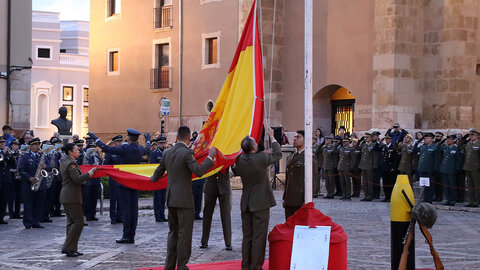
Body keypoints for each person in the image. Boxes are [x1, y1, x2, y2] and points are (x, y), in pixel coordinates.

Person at [150, 126, 215, 270]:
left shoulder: (166, 152)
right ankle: (182, 265)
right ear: (187, 139)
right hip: (184, 200)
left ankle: (169, 265)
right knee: (184, 234)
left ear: (177, 137)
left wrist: (147, 180)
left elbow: (156, 174)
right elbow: (198, 171)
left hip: (171, 198)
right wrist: (210, 158)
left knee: (172, 233)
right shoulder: (187, 153)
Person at [88, 129, 151, 243]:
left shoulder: (125, 148)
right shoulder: (140, 149)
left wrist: (96, 138)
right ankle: (132, 235)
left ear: (128, 138)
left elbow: (107, 148)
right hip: (135, 182)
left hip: (124, 181)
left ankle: (127, 235)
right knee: (133, 210)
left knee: (126, 209)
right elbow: (147, 149)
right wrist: (148, 140)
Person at [234, 128, 281, 270]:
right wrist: (272, 137)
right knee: (259, 237)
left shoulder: (239, 160)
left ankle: (246, 265)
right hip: (260, 202)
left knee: (247, 236)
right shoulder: (261, 158)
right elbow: (278, 154)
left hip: (246, 202)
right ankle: (255, 266)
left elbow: (235, 168)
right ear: (254, 147)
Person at [59, 143, 97, 257]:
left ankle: (71, 248)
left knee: (71, 222)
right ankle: (68, 247)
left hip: (67, 195)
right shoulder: (71, 163)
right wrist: (90, 174)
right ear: (70, 152)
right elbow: (76, 179)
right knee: (79, 221)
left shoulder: (65, 160)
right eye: (76, 150)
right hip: (72, 196)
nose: (78, 151)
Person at [283, 130, 317, 219]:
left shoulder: (309, 157)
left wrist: (307, 200)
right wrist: (285, 197)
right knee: (289, 226)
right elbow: (288, 180)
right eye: (294, 137)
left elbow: (313, 180)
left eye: (298, 137)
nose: (294, 139)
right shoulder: (291, 157)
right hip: (289, 199)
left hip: (300, 199)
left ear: (305, 141)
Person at [18, 137, 51, 229]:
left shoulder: (42, 156)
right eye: (36, 144)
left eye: (38, 144)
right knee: (28, 204)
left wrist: (46, 166)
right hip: (29, 184)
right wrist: (29, 178)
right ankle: (28, 223)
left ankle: (36, 221)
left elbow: (50, 167)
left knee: (39, 204)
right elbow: (21, 170)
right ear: (31, 146)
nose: (38, 146)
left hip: (41, 184)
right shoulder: (25, 157)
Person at [200, 169, 232, 250]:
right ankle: (204, 241)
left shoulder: (226, 155)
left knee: (226, 216)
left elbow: (235, 169)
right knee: (207, 215)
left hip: (224, 187)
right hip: (210, 186)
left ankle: (228, 242)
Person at [103, 135, 123, 224]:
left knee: (121, 199)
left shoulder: (123, 152)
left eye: (120, 141)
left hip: (122, 178)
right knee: (113, 199)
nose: (119, 143)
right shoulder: (110, 153)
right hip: (114, 178)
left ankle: (120, 216)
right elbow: (106, 165)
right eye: (118, 142)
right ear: (114, 143)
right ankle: (113, 217)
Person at [416, 133, 439, 204]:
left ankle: (429, 199)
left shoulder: (434, 147)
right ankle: (424, 198)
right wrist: (418, 141)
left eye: (427, 138)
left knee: (430, 186)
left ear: (432, 139)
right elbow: (415, 150)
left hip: (429, 169)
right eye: (425, 138)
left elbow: (436, 159)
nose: (425, 139)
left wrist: (435, 169)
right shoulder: (423, 147)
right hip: (422, 168)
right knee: (424, 185)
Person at [439, 135, 461, 206]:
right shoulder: (446, 148)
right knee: (446, 186)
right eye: (447, 139)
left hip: (452, 170)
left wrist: (457, 169)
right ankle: (448, 199)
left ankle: (452, 200)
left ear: (454, 140)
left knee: (452, 186)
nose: (448, 141)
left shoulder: (456, 148)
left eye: (450, 139)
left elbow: (458, 159)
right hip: (444, 169)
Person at [82, 142, 102, 221]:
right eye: (91, 147)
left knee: (94, 198)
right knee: (87, 198)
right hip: (88, 180)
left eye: (94, 147)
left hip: (95, 180)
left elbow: (101, 163)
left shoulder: (96, 155)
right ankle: (86, 214)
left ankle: (92, 214)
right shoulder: (85, 156)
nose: (93, 148)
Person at [149, 138, 167, 222]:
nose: (163, 145)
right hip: (157, 179)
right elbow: (152, 166)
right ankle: (158, 216)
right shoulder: (154, 154)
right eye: (161, 143)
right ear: (157, 144)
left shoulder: (167, 152)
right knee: (157, 198)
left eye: (164, 143)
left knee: (163, 198)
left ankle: (162, 215)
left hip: (165, 178)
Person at [461, 129, 480, 207]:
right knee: (470, 186)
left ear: (477, 136)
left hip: (476, 168)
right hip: (468, 167)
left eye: (472, 135)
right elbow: (460, 146)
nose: (471, 136)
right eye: (470, 135)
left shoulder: (479, 144)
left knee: (477, 185)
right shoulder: (468, 144)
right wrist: (464, 139)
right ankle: (470, 201)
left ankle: (476, 201)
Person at [0, 137, 15, 224]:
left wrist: (11, 155)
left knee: (4, 199)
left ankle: (1, 217)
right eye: (1, 143)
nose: (3, 144)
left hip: (6, 179)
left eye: (4, 143)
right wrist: (2, 152)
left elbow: (13, 162)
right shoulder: (2, 153)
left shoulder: (6, 153)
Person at [380, 135, 399, 202]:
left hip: (390, 169)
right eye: (386, 139)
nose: (387, 140)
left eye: (388, 139)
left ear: (391, 139)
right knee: (385, 183)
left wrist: (394, 167)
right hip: (384, 168)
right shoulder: (384, 147)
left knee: (390, 183)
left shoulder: (394, 147)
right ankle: (386, 196)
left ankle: (391, 197)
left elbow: (395, 159)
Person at [7, 140, 22, 219]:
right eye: (14, 145)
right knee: (11, 196)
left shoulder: (20, 154)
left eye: (17, 145)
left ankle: (17, 212)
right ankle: (11, 213)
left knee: (19, 196)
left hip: (19, 176)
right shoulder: (8, 153)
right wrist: (12, 170)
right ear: (11, 146)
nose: (16, 147)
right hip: (11, 175)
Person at [359, 133, 375, 201]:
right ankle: (366, 195)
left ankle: (370, 195)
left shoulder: (373, 145)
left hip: (369, 165)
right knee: (364, 182)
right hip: (363, 165)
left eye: (367, 137)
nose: (366, 139)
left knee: (369, 182)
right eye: (365, 137)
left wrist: (374, 165)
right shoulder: (364, 145)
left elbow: (374, 156)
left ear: (371, 138)